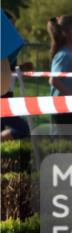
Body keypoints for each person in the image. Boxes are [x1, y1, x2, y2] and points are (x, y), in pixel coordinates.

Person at [48, 15, 72, 132]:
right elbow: (54, 80)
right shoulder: (63, 55)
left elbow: (69, 76)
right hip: (62, 107)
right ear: (65, 33)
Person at [1, 11, 28, 140]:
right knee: (23, 128)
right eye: (11, 25)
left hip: (6, 93)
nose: (14, 29)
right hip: (4, 94)